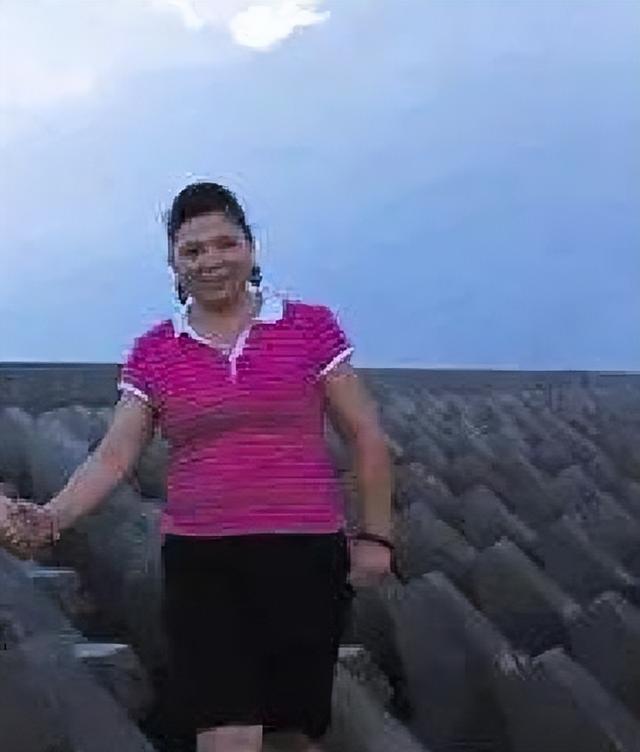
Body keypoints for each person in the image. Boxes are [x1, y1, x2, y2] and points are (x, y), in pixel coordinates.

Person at [0, 181, 393, 752]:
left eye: (225, 244)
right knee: (225, 730)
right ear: (174, 265)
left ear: (251, 250)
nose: (211, 261)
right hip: (203, 559)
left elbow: (365, 435)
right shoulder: (155, 351)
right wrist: (48, 519)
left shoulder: (310, 326)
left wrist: (376, 536)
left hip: (305, 552)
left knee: (291, 733)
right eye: (193, 251)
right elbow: (113, 456)